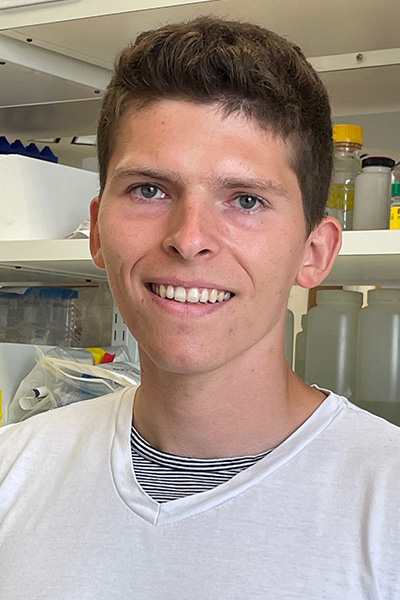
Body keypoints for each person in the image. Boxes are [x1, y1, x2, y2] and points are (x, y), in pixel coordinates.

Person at [1, 16, 399, 600]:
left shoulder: (386, 503)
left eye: (245, 199)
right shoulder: (13, 473)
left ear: (314, 252)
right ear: (96, 230)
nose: (189, 238)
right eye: (150, 190)